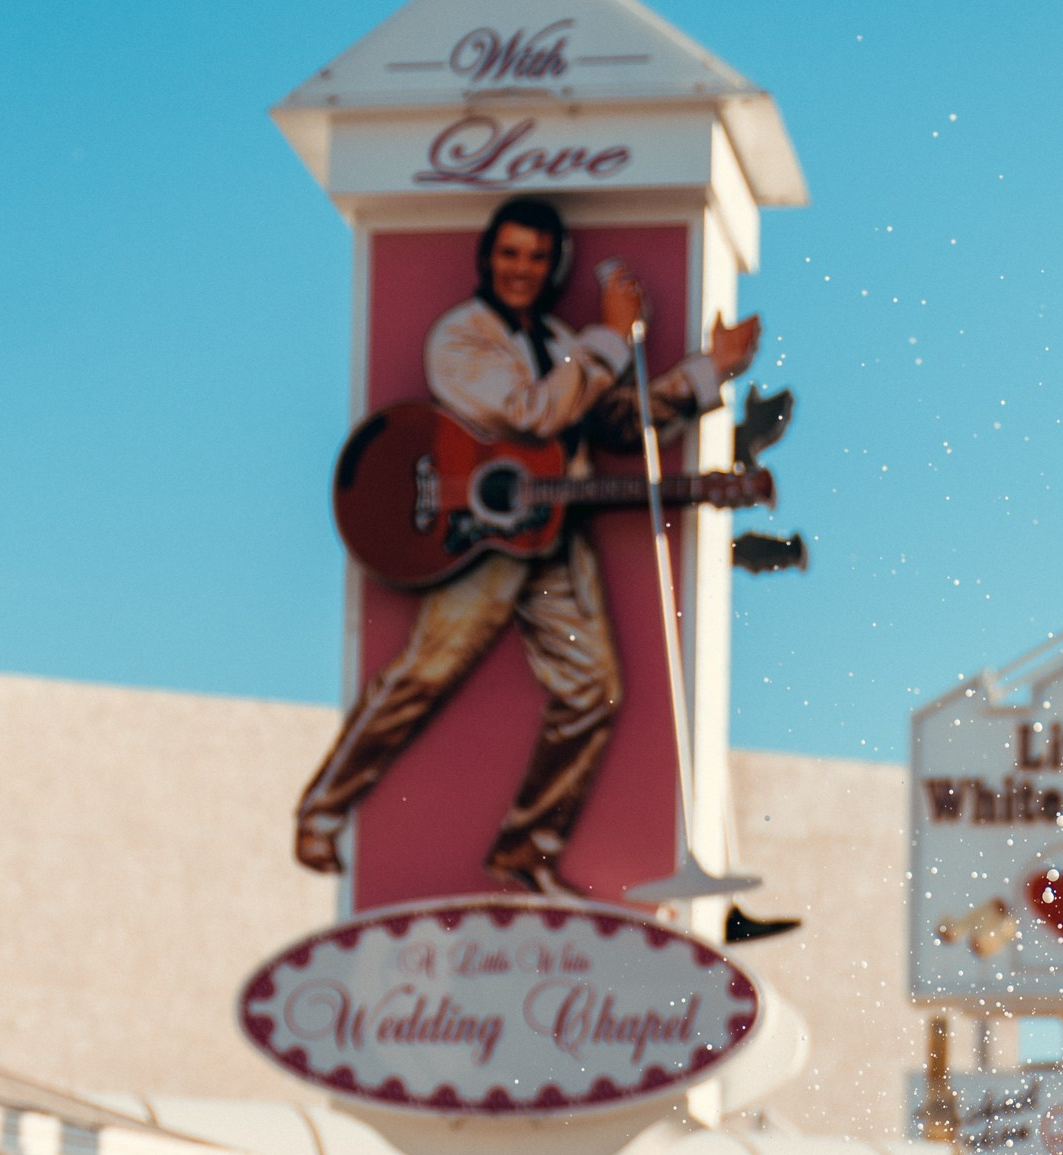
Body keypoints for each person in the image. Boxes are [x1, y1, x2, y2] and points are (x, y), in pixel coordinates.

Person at [294, 195, 761, 886]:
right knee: (422, 677)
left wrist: (707, 370)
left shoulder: (560, 340)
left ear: (554, 266)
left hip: (552, 538)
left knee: (592, 691)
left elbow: (612, 422)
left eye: (538, 258)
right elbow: (531, 414)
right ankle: (322, 811)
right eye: (510, 253)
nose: (523, 269)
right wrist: (611, 338)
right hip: (475, 539)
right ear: (487, 258)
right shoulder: (460, 336)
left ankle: (525, 848)